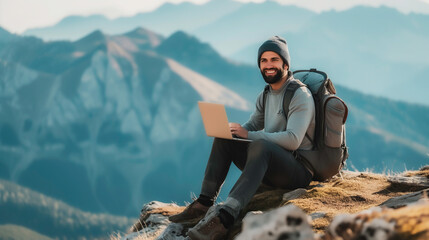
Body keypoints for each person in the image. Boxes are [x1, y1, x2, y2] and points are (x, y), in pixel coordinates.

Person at [172, 36, 316, 240]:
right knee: (225, 139)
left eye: (274, 60)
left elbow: (293, 140)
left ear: (285, 63)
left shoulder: (300, 95)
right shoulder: (266, 94)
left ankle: (224, 219)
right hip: (271, 165)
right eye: (264, 61)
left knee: (261, 146)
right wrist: (232, 133)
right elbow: (252, 125)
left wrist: (248, 135)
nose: (268, 65)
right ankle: (203, 203)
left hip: (297, 171)